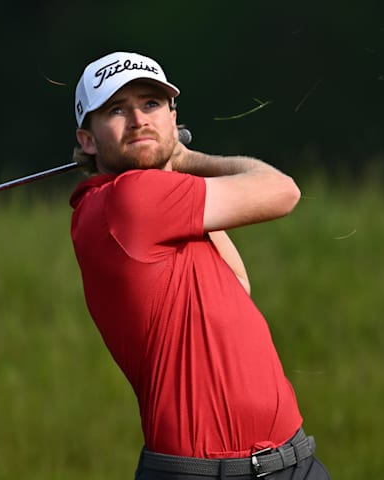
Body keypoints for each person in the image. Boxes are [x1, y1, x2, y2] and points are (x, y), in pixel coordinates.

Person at [68, 51, 330, 479]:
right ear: (88, 140)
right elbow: (283, 191)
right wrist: (189, 160)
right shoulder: (127, 201)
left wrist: (173, 169)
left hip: (292, 460)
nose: (139, 120)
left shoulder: (157, 202)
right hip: (203, 473)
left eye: (151, 105)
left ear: (173, 117)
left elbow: (236, 284)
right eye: (117, 110)